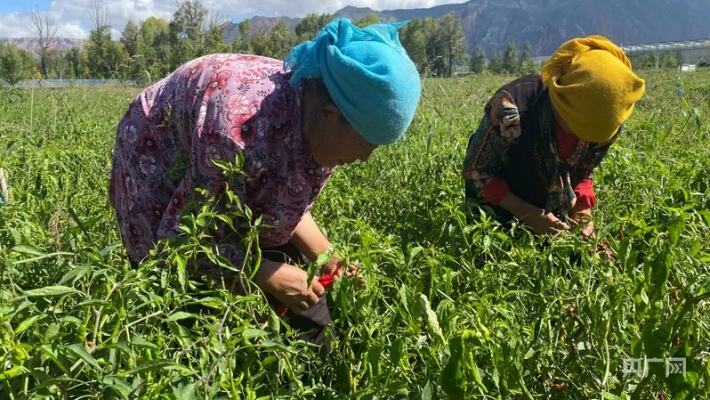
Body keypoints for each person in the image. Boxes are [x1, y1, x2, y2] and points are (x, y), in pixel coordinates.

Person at [109, 18, 421, 340]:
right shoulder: (234, 132)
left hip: (220, 150)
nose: (364, 158)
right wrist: (265, 273)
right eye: (365, 143)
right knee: (185, 306)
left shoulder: (322, 123)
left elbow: (287, 200)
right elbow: (182, 241)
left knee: (297, 290)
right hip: (156, 150)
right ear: (330, 113)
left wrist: (329, 258)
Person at [462, 36, 645, 236]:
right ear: (559, 102)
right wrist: (528, 215)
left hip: (553, 218)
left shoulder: (607, 120)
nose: (580, 138)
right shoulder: (513, 107)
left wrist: (583, 211)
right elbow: (475, 172)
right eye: (574, 127)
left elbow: (585, 170)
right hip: (497, 213)